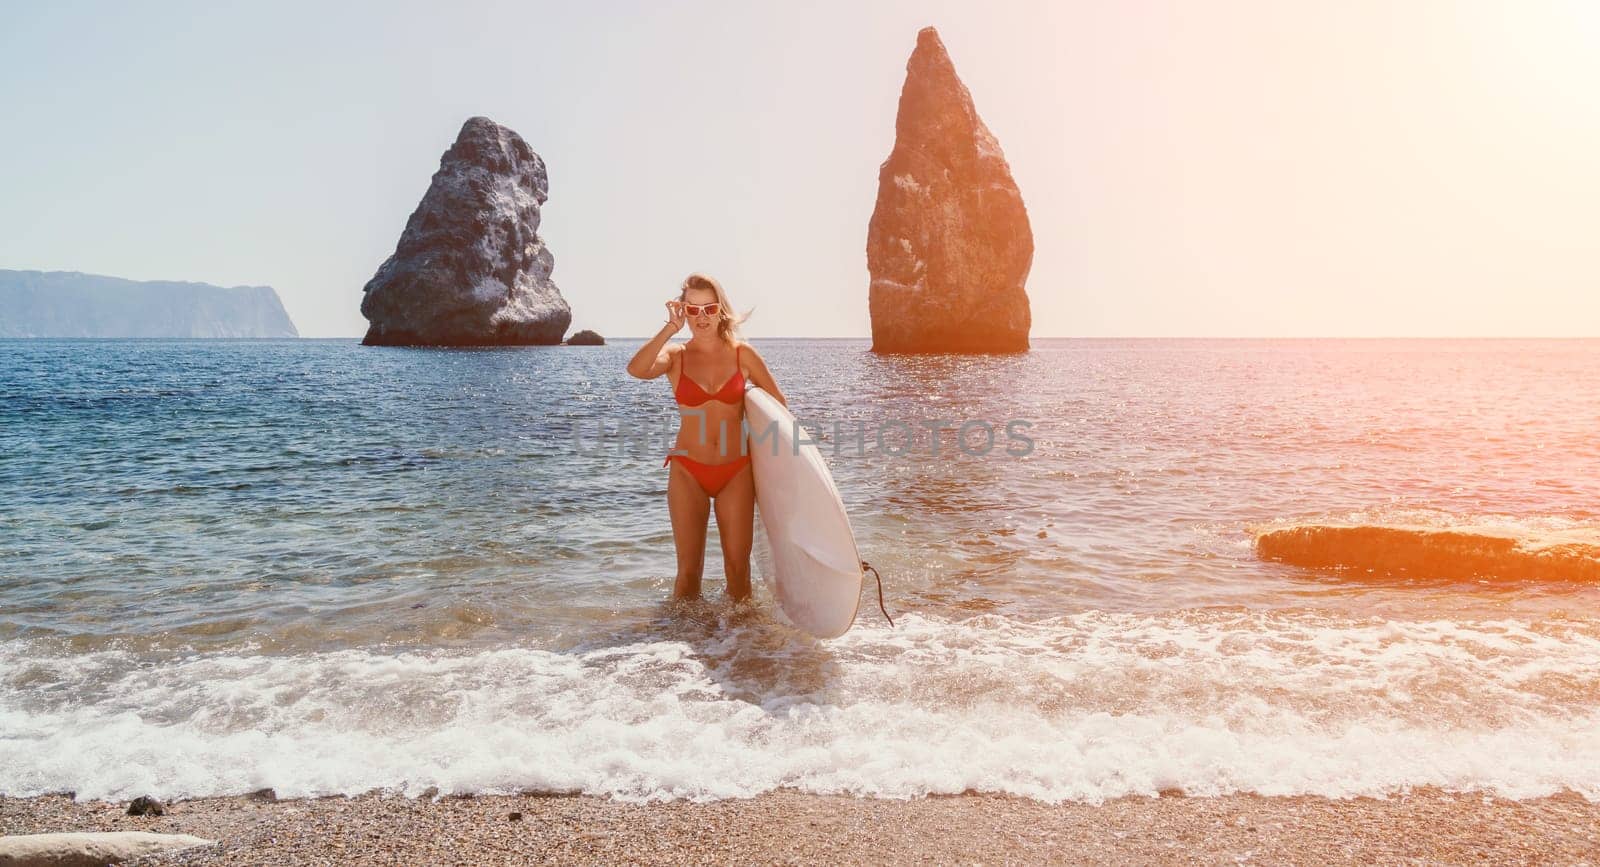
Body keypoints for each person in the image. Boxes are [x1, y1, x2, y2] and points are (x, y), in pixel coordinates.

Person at [626, 273, 787, 601]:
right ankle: (679, 647)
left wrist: (779, 469)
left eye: (709, 309)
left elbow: (779, 410)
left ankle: (740, 646)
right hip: (688, 471)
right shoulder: (675, 356)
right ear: (683, 310)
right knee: (687, 574)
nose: (701, 317)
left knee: (738, 572)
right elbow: (636, 369)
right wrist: (669, 328)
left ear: (721, 310)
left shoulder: (744, 355)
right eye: (693, 309)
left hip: (736, 471)